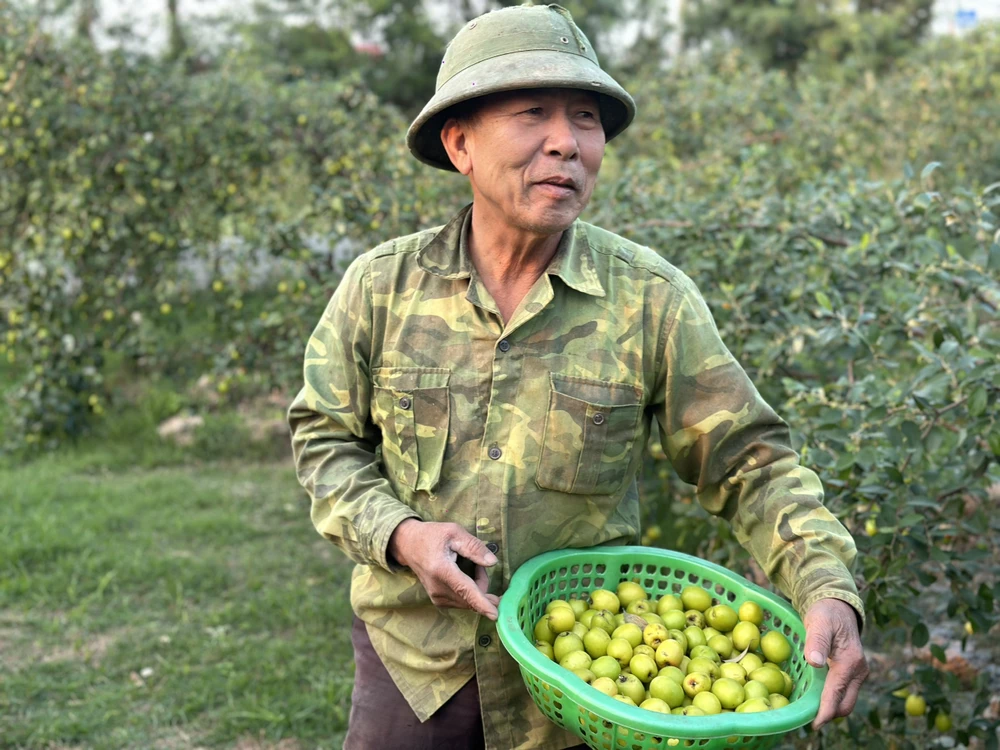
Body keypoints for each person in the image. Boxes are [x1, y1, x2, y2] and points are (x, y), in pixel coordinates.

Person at [286, 4, 869, 749]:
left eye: (586, 119)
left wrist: (826, 586)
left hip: (589, 684)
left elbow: (749, 461)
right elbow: (322, 440)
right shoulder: (382, 287)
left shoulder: (649, 299)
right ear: (460, 143)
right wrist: (399, 535)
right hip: (418, 664)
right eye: (533, 113)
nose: (566, 142)